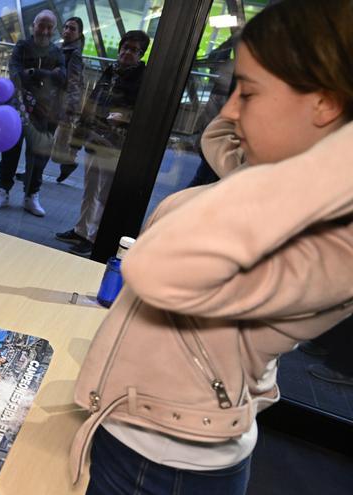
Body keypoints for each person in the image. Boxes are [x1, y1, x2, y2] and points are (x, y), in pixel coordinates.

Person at [69, 2, 353, 493]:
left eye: (249, 91)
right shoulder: (272, 182)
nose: (230, 108)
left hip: (165, 466)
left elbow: (155, 268)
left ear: (326, 102)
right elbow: (217, 134)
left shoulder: (331, 240)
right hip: (140, 433)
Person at [55, 30, 150, 255]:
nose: (128, 53)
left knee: (105, 194)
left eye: (134, 50)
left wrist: (125, 118)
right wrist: (77, 141)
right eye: (125, 48)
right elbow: (91, 105)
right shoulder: (111, 70)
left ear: (142, 54)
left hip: (115, 145)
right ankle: (81, 230)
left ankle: (95, 238)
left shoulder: (142, 78)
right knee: (90, 189)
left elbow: (144, 112)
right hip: (95, 139)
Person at [0, 9, 66, 217]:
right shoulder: (22, 46)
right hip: (17, 110)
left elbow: (62, 79)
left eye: (50, 27)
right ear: (34, 26)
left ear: (54, 30)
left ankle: (31, 196)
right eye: (42, 25)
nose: (45, 30)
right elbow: (15, 75)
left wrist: (33, 73)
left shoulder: (58, 53)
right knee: (10, 153)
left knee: (37, 158)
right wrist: (47, 75)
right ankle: (2, 192)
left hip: (44, 114)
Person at [52, 16, 86, 184]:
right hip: (52, 99)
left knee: (55, 140)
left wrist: (70, 108)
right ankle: (33, 170)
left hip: (61, 101)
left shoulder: (74, 53)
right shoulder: (61, 48)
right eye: (66, 27)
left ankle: (68, 162)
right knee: (48, 138)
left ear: (79, 34)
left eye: (72, 28)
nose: (67, 30)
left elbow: (74, 82)